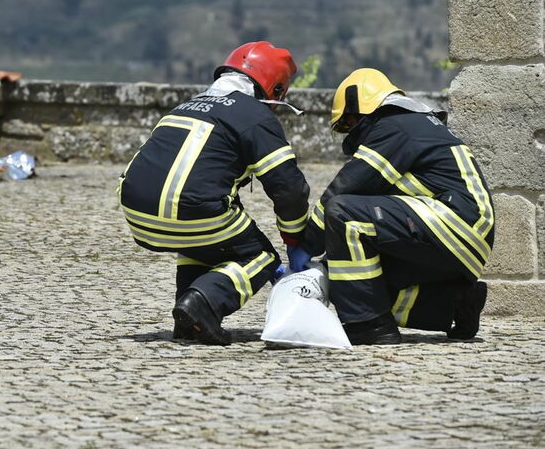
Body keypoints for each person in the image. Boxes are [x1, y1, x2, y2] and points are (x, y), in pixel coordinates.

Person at [118, 41, 310, 345]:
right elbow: (289, 189)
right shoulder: (256, 116)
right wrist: (295, 237)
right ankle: (203, 304)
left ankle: (189, 319)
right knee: (260, 255)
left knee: (206, 240)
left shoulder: (187, 105)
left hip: (137, 215)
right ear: (275, 90)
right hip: (194, 211)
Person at [289, 68, 493, 345]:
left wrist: (306, 244)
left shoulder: (395, 125)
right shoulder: (414, 123)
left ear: (359, 109)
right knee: (346, 276)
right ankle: (456, 304)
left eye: (348, 122)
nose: (349, 130)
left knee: (343, 213)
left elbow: (347, 186)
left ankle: (370, 326)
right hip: (463, 234)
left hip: (455, 223)